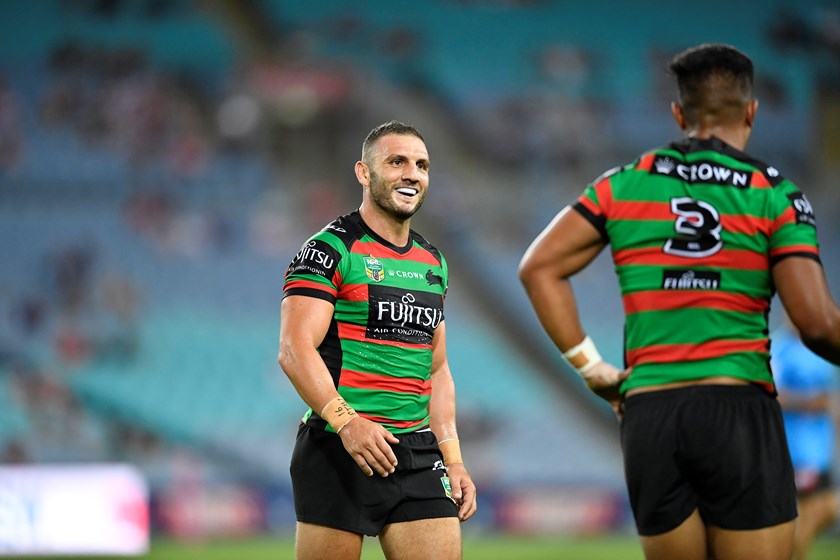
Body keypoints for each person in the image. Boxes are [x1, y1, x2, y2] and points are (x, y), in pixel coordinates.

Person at [518, 43, 840, 560]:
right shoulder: (773, 193)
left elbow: (538, 267)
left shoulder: (622, 185)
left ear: (678, 113)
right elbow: (818, 324)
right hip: (736, 405)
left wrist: (591, 367)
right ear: (752, 112)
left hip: (651, 413)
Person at [278, 121, 477, 560]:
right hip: (337, 447)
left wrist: (455, 458)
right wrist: (347, 422)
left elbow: (438, 369)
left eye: (421, 165)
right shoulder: (329, 250)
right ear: (364, 173)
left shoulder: (434, 262)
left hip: (416, 451)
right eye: (397, 162)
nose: (412, 174)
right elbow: (294, 350)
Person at [772, 322, 839, 560]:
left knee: (826, 508)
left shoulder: (821, 352)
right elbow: (770, 395)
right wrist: (808, 402)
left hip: (819, 452)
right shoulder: (778, 349)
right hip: (794, 451)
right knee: (806, 514)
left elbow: (829, 400)